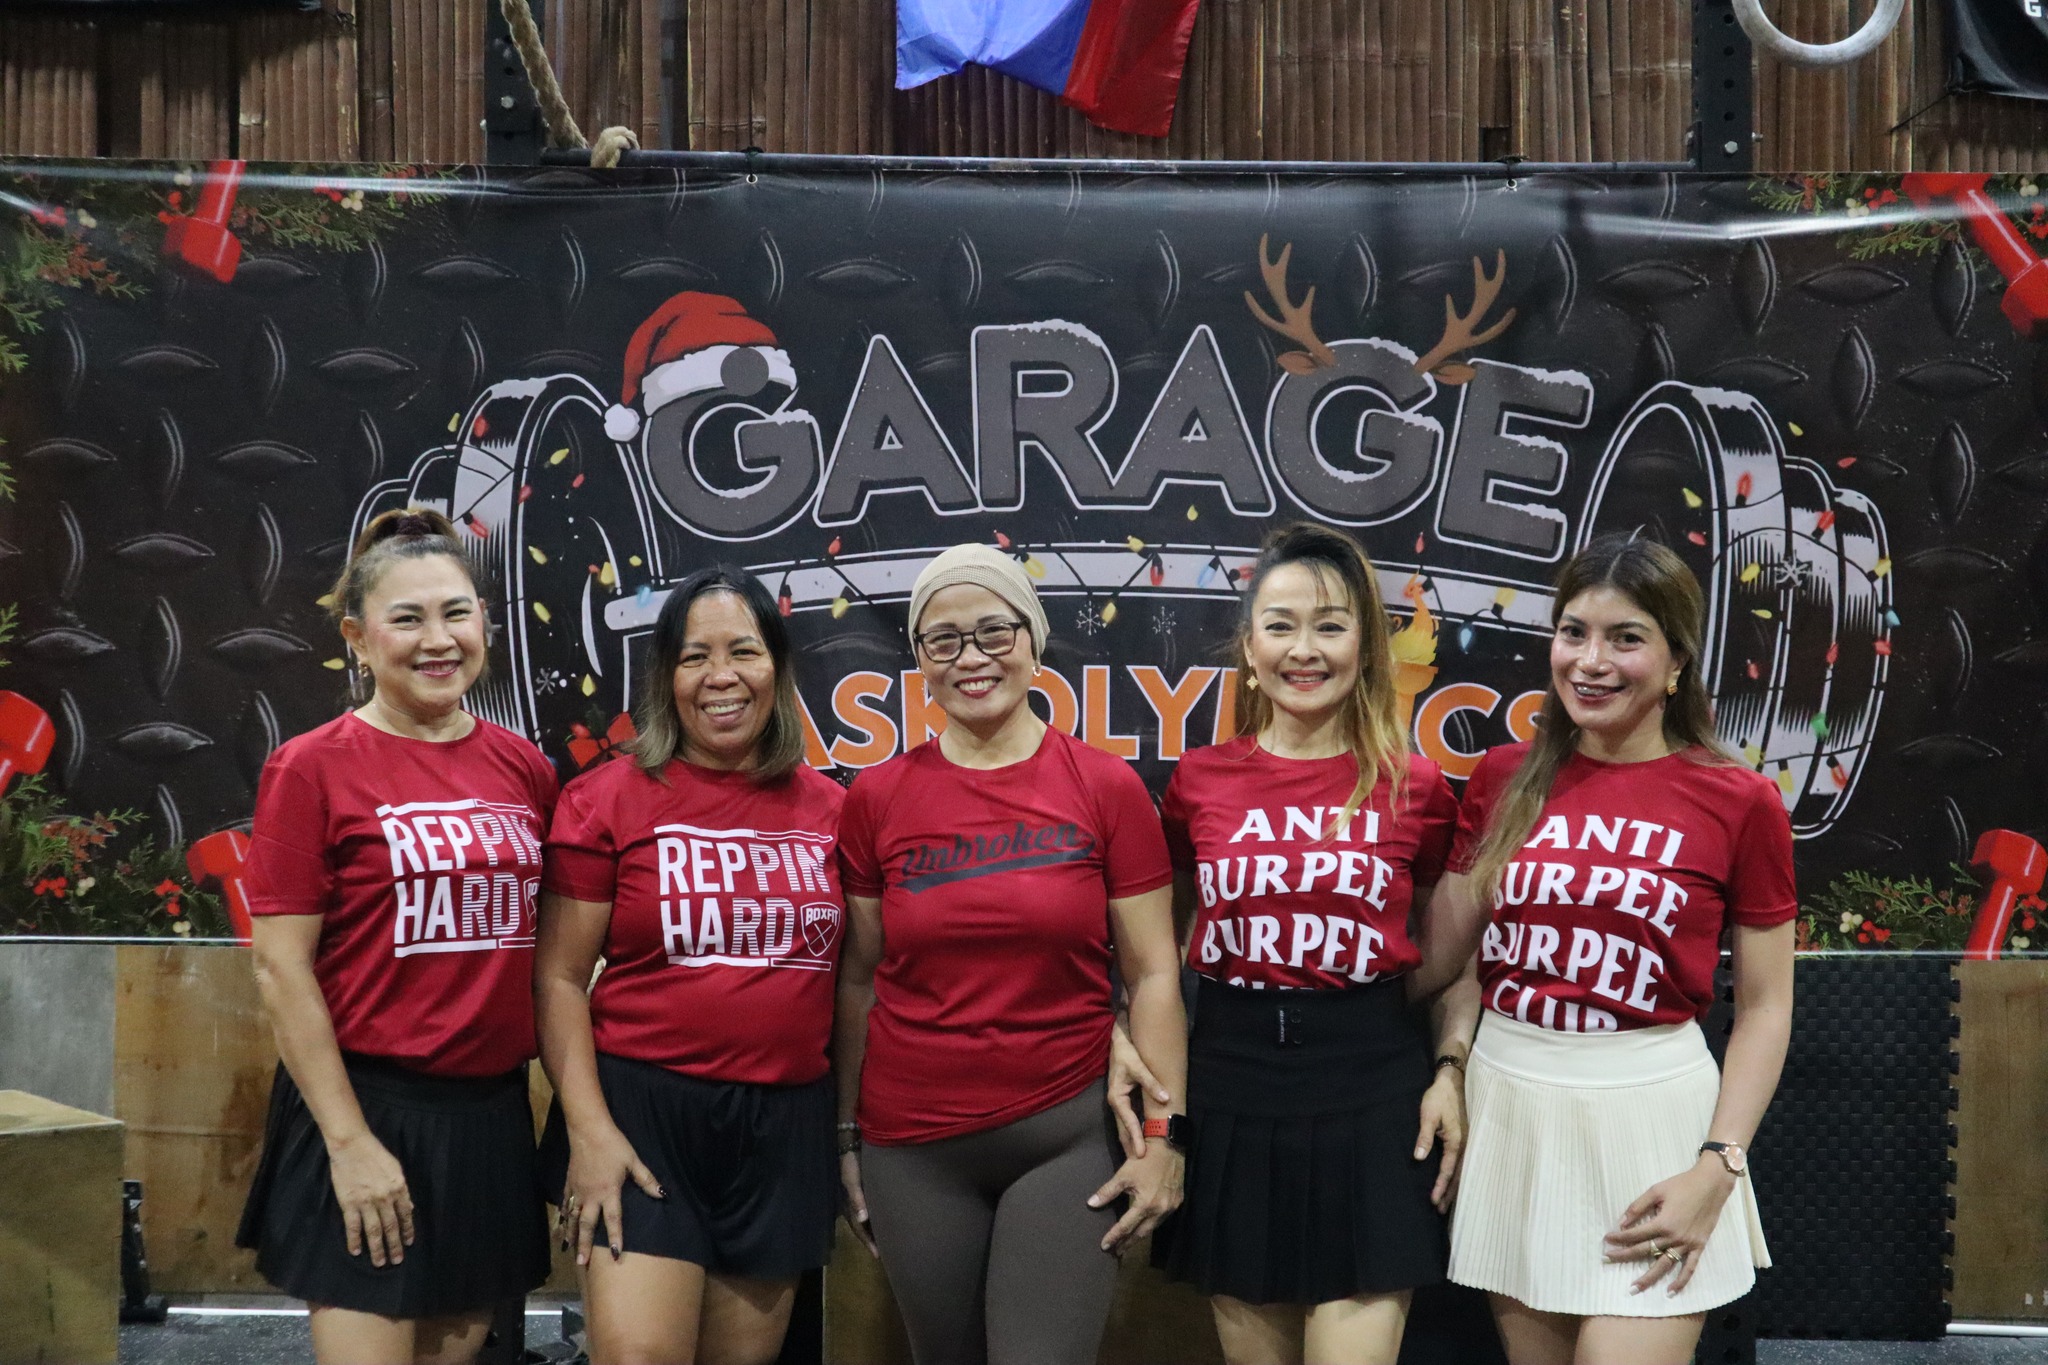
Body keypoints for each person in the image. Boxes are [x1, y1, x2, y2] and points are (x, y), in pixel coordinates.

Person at [1434, 533, 1795, 1365]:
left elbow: (1767, 1007)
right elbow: (1450, 960)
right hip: (1512, 1108)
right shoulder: (1500, 777)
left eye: (1625, 638)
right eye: (1574, 632)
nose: (1591, 661)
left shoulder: (1739, 799)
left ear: (1676, 661)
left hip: (1656, 1121)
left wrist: (1718, 1165)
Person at [832, 541, 1188, 1365]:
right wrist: (846, 1137)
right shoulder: (876, 797)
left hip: (1065, 1135)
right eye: (943, 639)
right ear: (920, 659)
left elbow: (1153, 973)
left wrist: (1166, 1136)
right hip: (912, 1147)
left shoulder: (1105, 786)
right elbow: (859, 980)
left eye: (994, 631)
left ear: (1032, 640)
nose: (972, 657)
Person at [1141, 522, 1475, 1365]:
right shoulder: (1199, 779)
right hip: (1232, 1086)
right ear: (1250, 648)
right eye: (1281, 625)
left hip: (1373, 1089)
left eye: (1329, 625)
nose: (1304, 648)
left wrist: (1450, 1067)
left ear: (1365, 646)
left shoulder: (1414, 784)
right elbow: (1159, 955)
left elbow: (1454, 960)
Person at [238, 508, 556, 1365]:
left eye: (456, 613)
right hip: (364, 1107)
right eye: (407, 618)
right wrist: (349, 1145)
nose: (438, 640)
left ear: (485, 619)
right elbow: (280, 969)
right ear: (359, 636)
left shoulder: (525, 767)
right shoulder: (311, 765)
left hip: (488, 1118)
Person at [535, 566, 844, 1365]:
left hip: (783, 1126)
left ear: (777, 665)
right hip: (642, 1118)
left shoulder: (835, 810)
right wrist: (589, 1132)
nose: (720, 676)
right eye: (694, 656)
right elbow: (559, 979)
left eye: (742, 650)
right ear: (666, 676)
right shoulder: (606, 798)